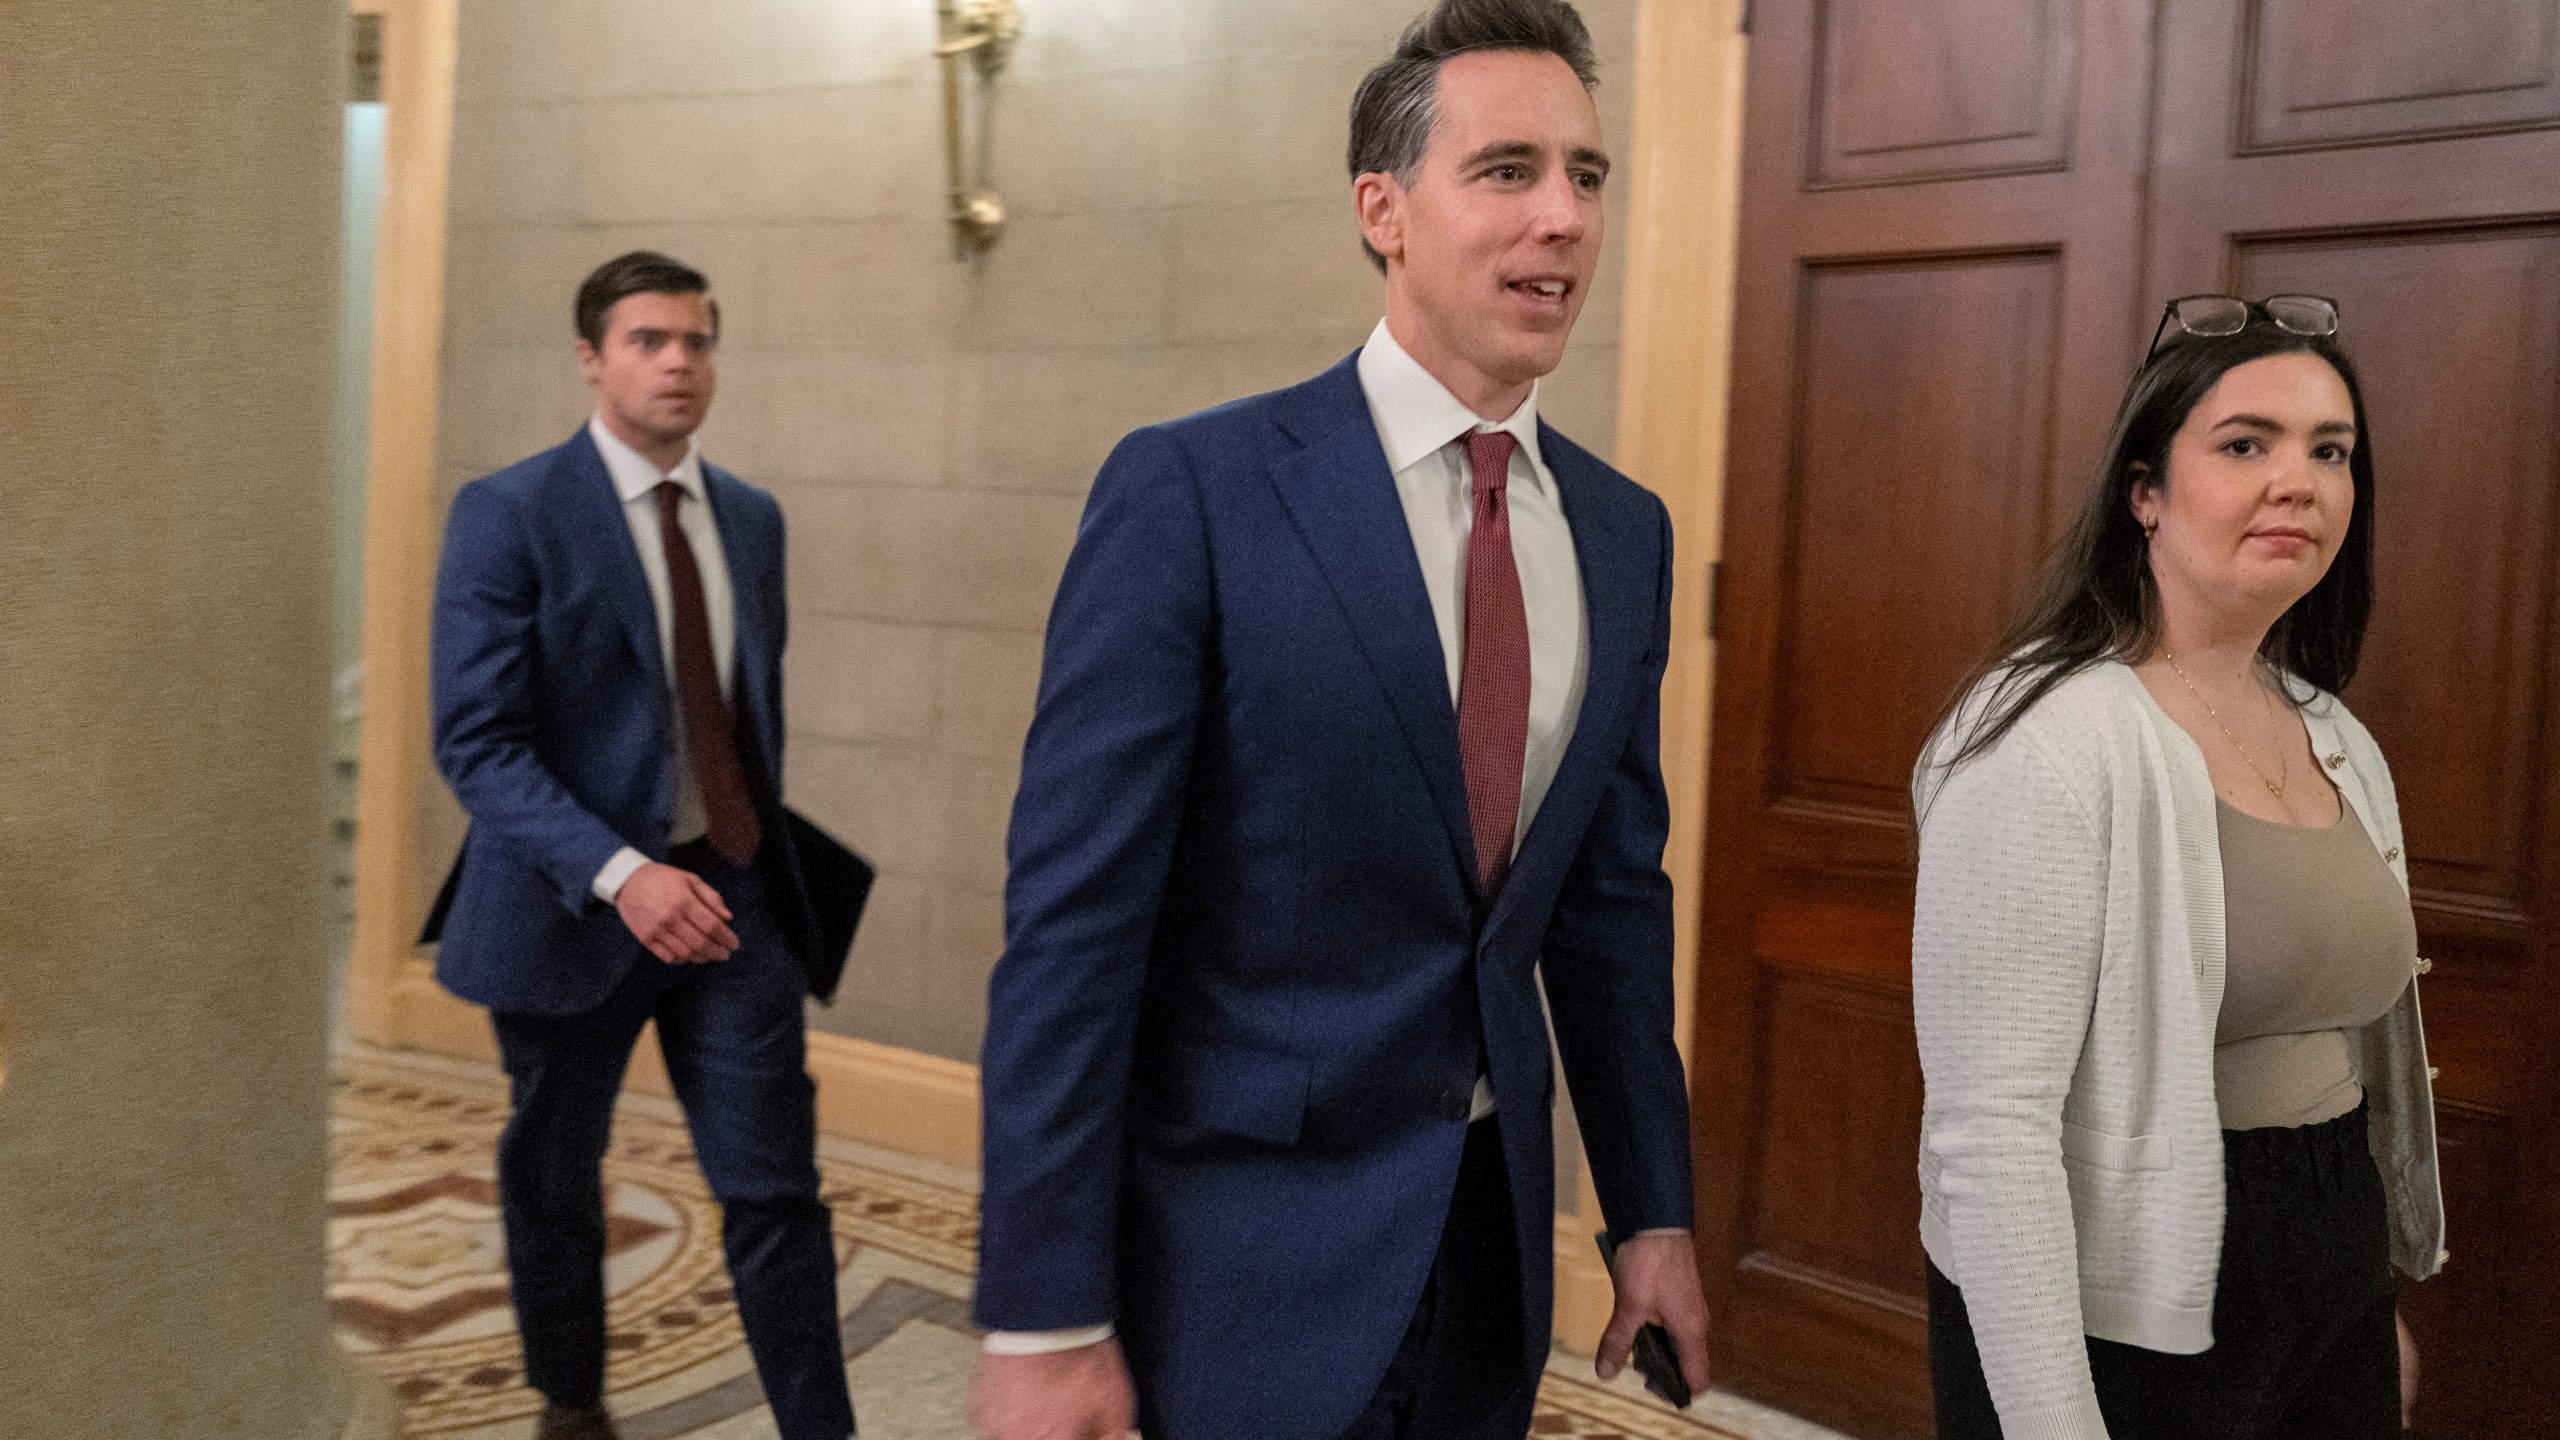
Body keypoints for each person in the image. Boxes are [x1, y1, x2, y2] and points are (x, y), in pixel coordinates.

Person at [968, 3, 1711, 1438]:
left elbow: (1610, 912)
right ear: (1384, 209)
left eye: (1589, 175)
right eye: (1507, 171)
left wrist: (1652, 1216)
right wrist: (1045, 1315)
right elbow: (1075, 938)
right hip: (1235, 1266)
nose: (1562, 217)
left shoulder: (1624, 535)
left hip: (1488, 1262)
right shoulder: (1196, 494)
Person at [1911, 295, 2446, 1439]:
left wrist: (2355, 1300)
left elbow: (2340, 1052)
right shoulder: (2038, 736)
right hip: (2120, 1297)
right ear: (2144, 493)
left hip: (2328, 1252)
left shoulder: (2332, 735)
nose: (2296, 480)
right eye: (2245, 443)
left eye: (2330, 451)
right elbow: (1989, 1135)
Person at [424, 252, 854, 1440]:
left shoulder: (751, 522)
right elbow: (477, 742)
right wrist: (623, 876)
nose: (678, 363)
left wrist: (732, 863)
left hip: (731, 909)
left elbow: (732, 722)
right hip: (569, 912)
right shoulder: (509, 515)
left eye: (698, 342)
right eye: (649, 341)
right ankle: (573, 1406)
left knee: (776, 1189)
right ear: (590, 358)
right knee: (555, 1182)